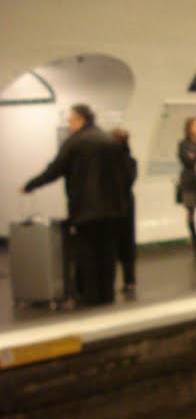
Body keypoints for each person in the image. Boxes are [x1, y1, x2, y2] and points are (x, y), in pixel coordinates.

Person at [22, 104, 127, 306]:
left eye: (70, 120)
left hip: (86, 208)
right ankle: (107, 294)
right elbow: (125, 174)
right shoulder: (111, 141)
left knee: (86, 252)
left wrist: (31, 185)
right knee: (107, 252)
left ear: (80, 119)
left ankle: (90, 296)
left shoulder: (75, 142)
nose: (69, 125)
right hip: (114, 208)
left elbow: (55, 170)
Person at [110, 128, 138, 299]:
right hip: (128, 204)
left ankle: (110, 281)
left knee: (111, 244)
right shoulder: (131, 161)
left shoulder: (106, 162)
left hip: (111, 205)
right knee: (128, 243)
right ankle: (129, 280)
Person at [178, 117, 196, 251]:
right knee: (191, 210)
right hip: (189, 181)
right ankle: (195, 238)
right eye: (194, 125)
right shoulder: (183, 144)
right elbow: (187, 160)